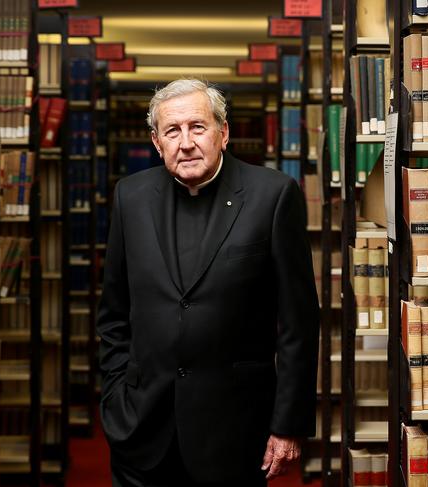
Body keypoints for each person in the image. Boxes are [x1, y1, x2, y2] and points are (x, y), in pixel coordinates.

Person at [97, 78, 320, 487]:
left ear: (224, 132)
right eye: (172, 130)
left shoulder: (273, 196)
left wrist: (288, 424)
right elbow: (113, 311)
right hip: (142, 428)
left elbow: (298, 325)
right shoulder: (130, 197)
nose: (185, 142)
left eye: (197, 127)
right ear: (156, 141)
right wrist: (115, 397)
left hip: (234, 431)